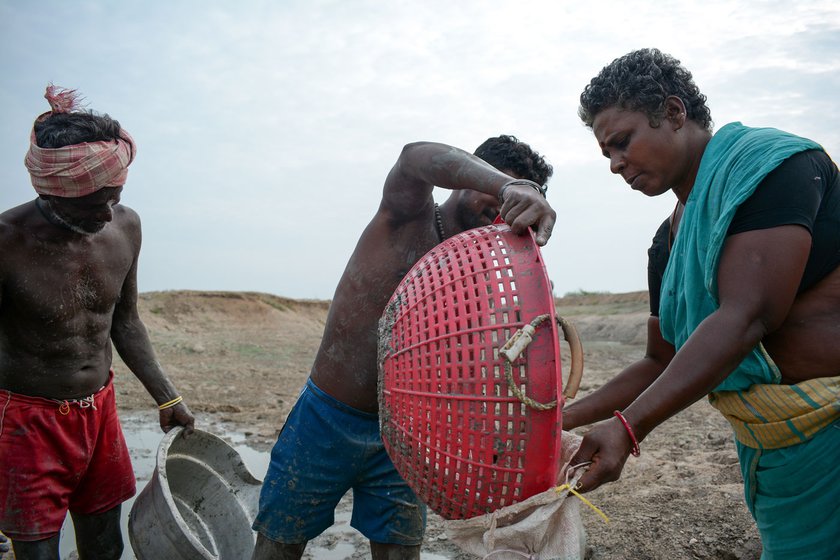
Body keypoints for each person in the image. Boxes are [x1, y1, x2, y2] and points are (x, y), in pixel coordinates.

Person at [564, 48, 840, 559]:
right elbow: (660, 360)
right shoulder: (668, 242)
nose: (615, 164)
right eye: (606, 154)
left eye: (622, 142)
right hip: (770, 447)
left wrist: (628, 428)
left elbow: (746, 317)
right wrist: (559, 419)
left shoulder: (774, 168)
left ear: (673, 112)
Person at [251, 135, 556, 559]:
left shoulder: (484, 269)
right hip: (326, 418)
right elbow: (415, 157)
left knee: (399, 551)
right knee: (278, 541)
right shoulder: (406, 214)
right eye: (502, 192)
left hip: (408, 436)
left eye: (515, 206)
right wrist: (509, 185)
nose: (503, 210)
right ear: (470, 175)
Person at [0, 86, 195, 560]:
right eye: (91, 205)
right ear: (52, 190)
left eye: (115, 196)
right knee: (37, 551)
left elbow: (124, 322)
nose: (106, 213)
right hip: (26, 422)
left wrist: (166, 396)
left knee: (106, 541)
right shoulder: (7, 244)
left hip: (99, 412)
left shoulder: (124, 226)